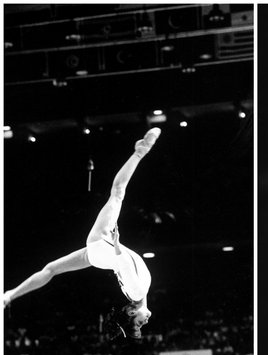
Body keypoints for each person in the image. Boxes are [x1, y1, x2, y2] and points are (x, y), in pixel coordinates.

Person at [3, 128, 161, 339]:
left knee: (117, 193)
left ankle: (139, 152)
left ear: (131, 311)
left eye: (139, 323)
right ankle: (8, 296)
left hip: (102, 244)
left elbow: (124, 264)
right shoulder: (136, 294)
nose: (146, 321)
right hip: (100, 256)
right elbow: (122, 268)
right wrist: (115, 248)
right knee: (51, 269)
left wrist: (116, 244)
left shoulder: (136, 293)